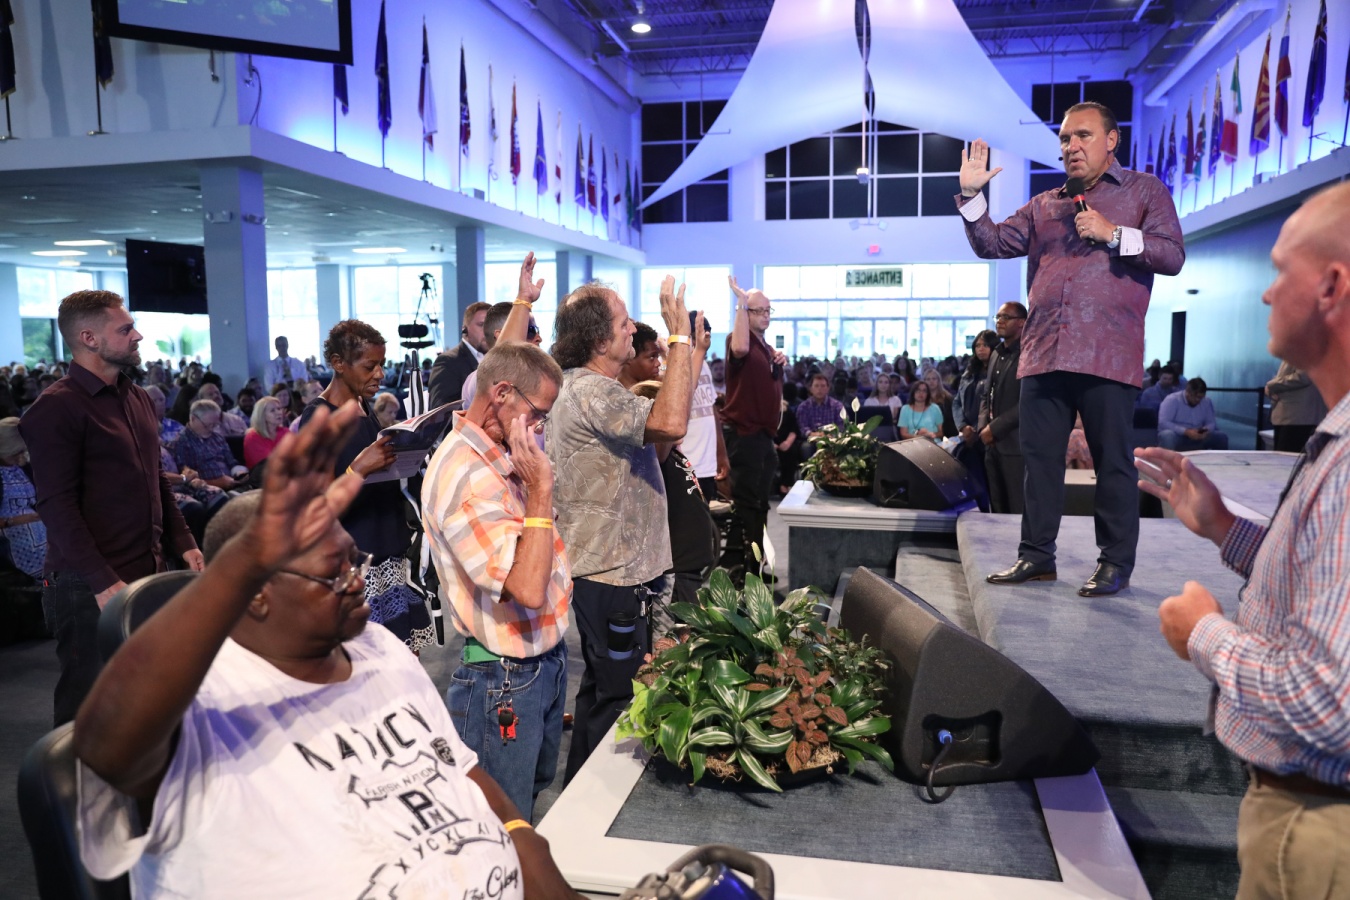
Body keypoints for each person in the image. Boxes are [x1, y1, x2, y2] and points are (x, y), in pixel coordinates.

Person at [73, 402, 583, 899]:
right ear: (256, 591)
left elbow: (458, 767)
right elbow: (106, 749)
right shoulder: (206, 697)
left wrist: (522, 839)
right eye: (332, 575)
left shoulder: (378, 648)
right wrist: (246, 557)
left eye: (354, 562)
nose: (356, 582)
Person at [1136, 181, 1350, 899]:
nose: (1266, 293)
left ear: (1331, 286)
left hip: (1318, 831)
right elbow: (1326, 589)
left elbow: (1329, 703)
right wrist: (1226, 528)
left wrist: (1203, 634)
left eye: (1280, 270)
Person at [959, 100, 1185, 597]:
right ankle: (1036, 556)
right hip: (1044, 353)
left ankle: (1115, 563)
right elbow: (991, 243)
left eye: (1083, 135)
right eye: (1064, 138)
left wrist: (1113, 234)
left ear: (1111, 140)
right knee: (1039, 462)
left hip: (1108, 355)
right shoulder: (1045, 205)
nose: (1071, 146)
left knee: (1112, 465)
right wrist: (973, 196)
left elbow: (1171, 255)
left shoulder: (1144, 191)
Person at [546, 276, 706, 782]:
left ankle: (581, 802)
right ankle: (597, 803)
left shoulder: (592, 388)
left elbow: (665, 431)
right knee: (618, 698)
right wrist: (678, 338)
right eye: (623, 324)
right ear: (599, 339)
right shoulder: (593, 391)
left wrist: (688, 352)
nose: (633, 329)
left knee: (604, 691)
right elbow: (671, 424)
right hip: (614, 576)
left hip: (620, 572)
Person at [19, 290, 203, 726]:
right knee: (88, 710)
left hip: (146, 570)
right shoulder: (55, 408)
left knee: (145, 702)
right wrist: (102, 582)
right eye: (125, 329)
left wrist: (184, 541)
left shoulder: (136, 397)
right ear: (89, 338)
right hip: (86, 583)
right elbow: (56, 506)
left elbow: (154, 478)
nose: (137, 336)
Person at [422, 343, 572, 822]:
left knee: (525, 805)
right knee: (505, 827)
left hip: (533, 663)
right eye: (538, 413)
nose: (540, 427)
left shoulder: (495, 454)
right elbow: (526, 589)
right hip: (503, 677)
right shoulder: (467, 475)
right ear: (502, 393)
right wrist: (541, 490)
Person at [300, 320, 435, 653]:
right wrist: (358, 469)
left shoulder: (363, 408)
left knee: (405, 662)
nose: (380, 374)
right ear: (338, 363)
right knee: (370, 669)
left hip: (388, 553)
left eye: (382, 365)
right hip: (356, 563)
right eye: (369, 366)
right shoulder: (318, 417)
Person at [718, 278, 784, 581]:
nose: (766, 315)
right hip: (745, 435)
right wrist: (741, 303)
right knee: (748, 505)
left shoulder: (766, 347)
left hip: (763, 436)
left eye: (768, 310)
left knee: (759, 505)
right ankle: (743, 570)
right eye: (759, 310)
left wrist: (778, 359)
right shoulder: (738, 340)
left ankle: (754, 567)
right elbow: (741, 347)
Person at [972, 303, 1026, 515]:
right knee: (996, 509)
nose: (1000, 321)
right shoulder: (996, 353)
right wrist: (983, 427)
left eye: (1006, 317)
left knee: (1016, 508)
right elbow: (986, 395)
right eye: (998, 317)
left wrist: (994, 428)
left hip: (1014, 444)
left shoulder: (1028, 354)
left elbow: (1027, 402)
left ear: (1021, 323)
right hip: (991, 444)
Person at [0, 418, 46, 579]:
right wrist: (16, 520)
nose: (21, 455)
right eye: (17, 452)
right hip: (14, 541)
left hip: (42, 531)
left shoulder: (23, 467)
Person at [171, 400, 247, 490]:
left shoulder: (217, 437)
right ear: (193, 419)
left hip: (232, 483)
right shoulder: (181, 442)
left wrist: (239, 473)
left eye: (215, 425)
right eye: (208, 425)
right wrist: (219, 483)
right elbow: (187, 477)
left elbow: (231, 462)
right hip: (207, 490)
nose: (212, 429)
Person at [428, 301, 492, 408]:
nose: (487, 331)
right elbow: (442, 410)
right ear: (465, 329)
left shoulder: (499, 360)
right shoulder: (448, 362)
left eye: (491, 326)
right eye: (481, 325)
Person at [1265, 360, 1327, 452]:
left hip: (1298, 417)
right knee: (1282, 455)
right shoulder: (1294, 354)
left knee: (1287, 456)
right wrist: (1272, 388)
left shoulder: (1306, 352)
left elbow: (1303, 377)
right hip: (1289, 415)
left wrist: (1272, 385)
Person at [1158, 377, 1229, 451]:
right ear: (1187, 393)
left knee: (1221, 437)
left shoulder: (1206, 401)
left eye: (1201, 397)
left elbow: (1211, 422)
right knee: (1167, 435)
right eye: (1196, 397)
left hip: (1199, 434)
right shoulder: (1172, 400)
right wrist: (1186, 431)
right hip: (1179, 435)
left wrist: (1205, 430)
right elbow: (1163, 422)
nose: (1198, 400)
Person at [796, 372, 845, 449]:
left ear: (828, 388)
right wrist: (812, 434)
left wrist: (830, 435)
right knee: (806, 447)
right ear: (811, 389)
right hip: (811, 439)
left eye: (823, 386)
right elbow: (802, 426)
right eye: (816, 386)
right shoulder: (803, 407)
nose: (819, 389)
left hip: (832, 439)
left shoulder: (837, 406)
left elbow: (842, 425)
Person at [243, 395, 291, 468]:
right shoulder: (252, 437)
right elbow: (267, 465)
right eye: (272, 410)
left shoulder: (285, 432)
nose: (278, 412)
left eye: (279, 409)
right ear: (262, 415)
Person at [617, 321, 664, 389]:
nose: (658, 363)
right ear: (629, 356)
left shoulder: (657, 389)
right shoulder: (612, 393)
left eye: (657, 356)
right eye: (652, 357)